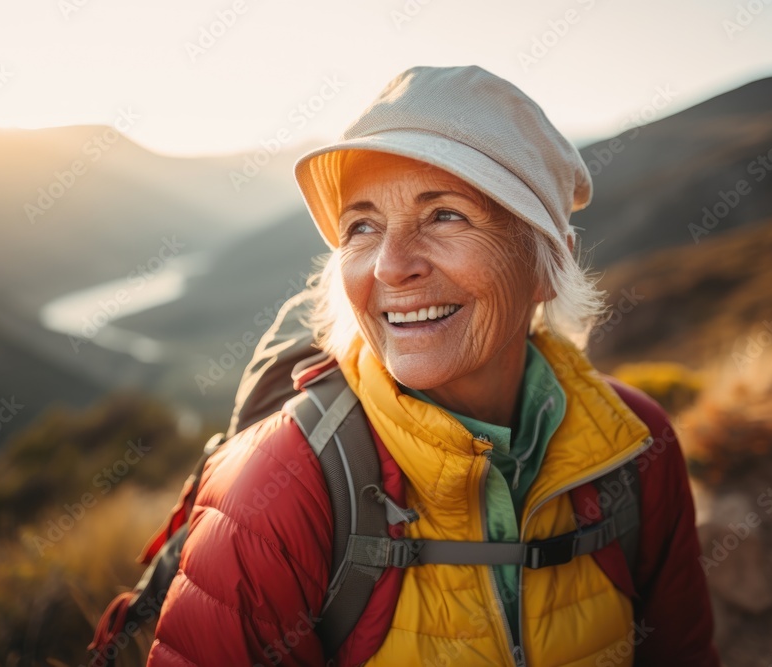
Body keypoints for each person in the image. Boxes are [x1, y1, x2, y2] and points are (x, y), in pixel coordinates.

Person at [147, 65, 720, 666]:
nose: (392, 267)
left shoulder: (636, 445)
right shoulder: (277, 487)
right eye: (362, 226)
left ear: (549, 261)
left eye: (445, 214)